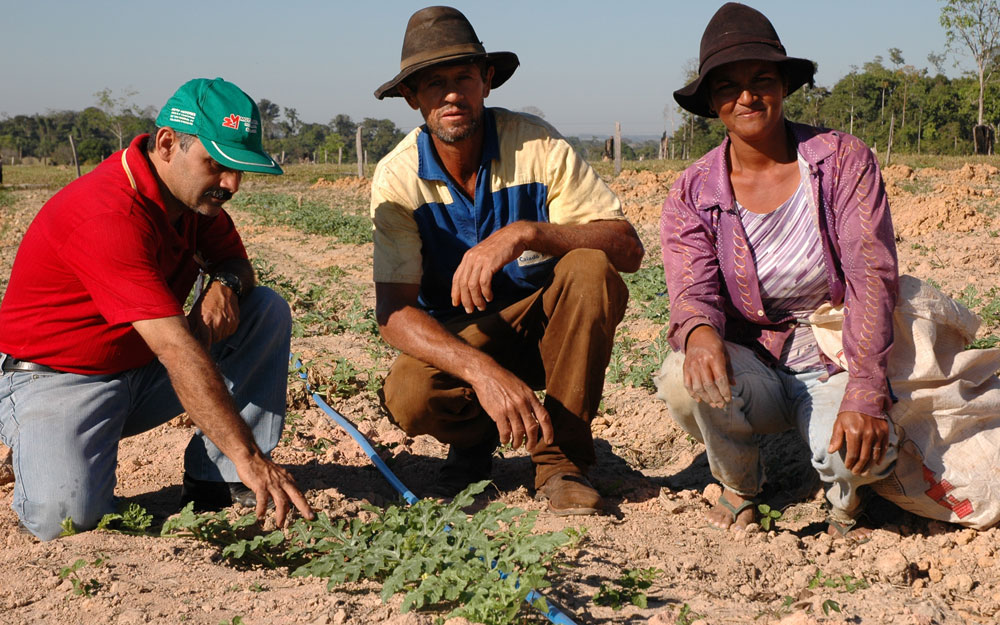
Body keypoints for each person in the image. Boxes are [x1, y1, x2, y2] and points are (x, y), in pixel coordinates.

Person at [0, 78, 315, 540]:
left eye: (239, 169)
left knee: (262, 309)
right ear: (168, 143)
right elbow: (176, 350)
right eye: (217, 164)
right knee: (65, 520)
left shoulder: (192, 202)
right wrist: (253, 455)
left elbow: (236, 265)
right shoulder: (108, 214)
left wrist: (224, 284)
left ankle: (219, 479)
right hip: (58, 378)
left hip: (138, 370)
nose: (230, 184)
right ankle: (36, 440)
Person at [371, 6, 644, 515]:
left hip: (546, 332)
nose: (451, 94)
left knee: (590, 269)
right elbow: (394, 312)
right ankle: (474, 443)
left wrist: (527, 233)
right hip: (463, 339)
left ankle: (561, 462)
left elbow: (627, 248)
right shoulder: (398, 176)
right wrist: (483, 374)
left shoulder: (536, 145)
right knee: (409, 393)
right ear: (412, 98)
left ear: (487, 81)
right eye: (433, 83)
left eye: (463, 77)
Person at [654, 3, 899, 537]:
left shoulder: (840, 162)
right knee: (682, 375)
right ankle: (741, 484)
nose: (746, 96)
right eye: (728, 86)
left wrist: (865, 392)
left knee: (857, 457)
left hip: (835, 356)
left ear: (784, 86)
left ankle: (846, 503)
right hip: (756, 362)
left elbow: (871, 279)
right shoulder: (694, 191)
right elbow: (691, 288)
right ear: (713, 101)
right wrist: (698, 335)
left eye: (761, 79)